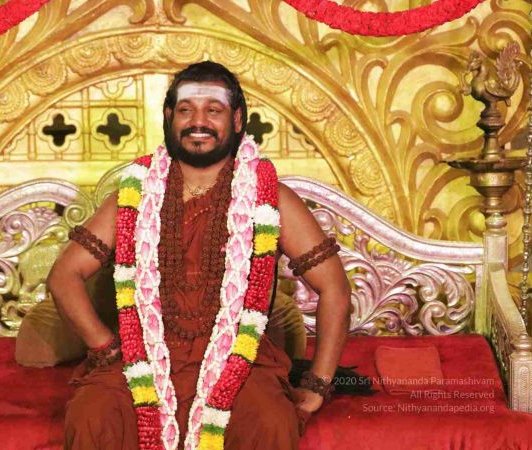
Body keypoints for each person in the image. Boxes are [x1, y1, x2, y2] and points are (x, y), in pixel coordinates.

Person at [47, 61, 352, 450]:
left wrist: (319, 384)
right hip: (145, 355)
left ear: (237, 120)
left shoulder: (267, 195)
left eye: (213, 110)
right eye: (186, 110)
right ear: (169, 117)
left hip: (240, 361)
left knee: (269, 423)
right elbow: (64, 275)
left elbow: (334, 287)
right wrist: (104, 346)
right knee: (92, 417)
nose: (198, 122)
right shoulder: (135, 193)